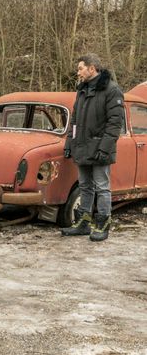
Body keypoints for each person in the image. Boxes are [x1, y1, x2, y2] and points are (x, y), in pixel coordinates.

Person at [62, 53, 124, 241]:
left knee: (102, 188)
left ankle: (103, 226)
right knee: (85, 187)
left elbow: (115, 123)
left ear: (92, 68)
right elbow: (74, 121)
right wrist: (69, 143)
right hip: (82, 147)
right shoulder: (82, 90)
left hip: (100, 149)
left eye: (80, 68)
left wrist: (104, 148)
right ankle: (83, 224)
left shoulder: (112, 90)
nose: (78, 72)